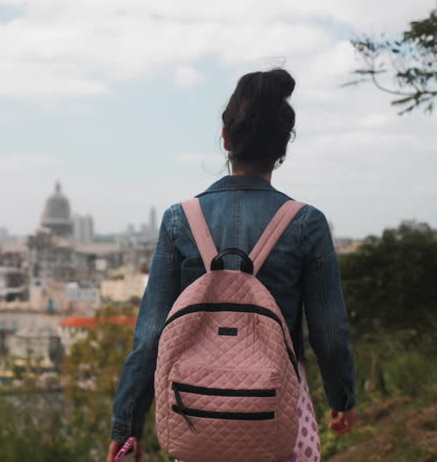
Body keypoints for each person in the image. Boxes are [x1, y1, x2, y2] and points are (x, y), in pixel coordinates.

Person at [106, 68, 357, 462]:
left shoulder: (179, 220)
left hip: (197, 409)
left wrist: (126, 424)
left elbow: (152, 334)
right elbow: (329, 330)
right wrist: (342, 396)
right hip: (274, 407)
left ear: (225, 138)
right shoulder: (307, 223)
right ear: (283, 146)